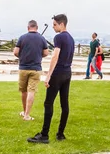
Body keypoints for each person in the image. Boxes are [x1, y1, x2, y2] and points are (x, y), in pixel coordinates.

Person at [28, 14, 75, 144]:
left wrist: (48, 76)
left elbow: (55, 56)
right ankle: (60, 134)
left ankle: (44, 135)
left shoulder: (59, 37)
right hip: (67, 73)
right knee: (64, 104)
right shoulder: (71, 38)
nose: (53, 27)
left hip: (58, 73)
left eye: (55, 24)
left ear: (61, 24)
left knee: (48, 103)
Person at [14, 20, 49, 121]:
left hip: (23, 68)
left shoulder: (22, 37)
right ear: (37, 27)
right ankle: (27, 115)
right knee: (31, 91)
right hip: (36, 68)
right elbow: (46, 53)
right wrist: (39, 55)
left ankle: (24, 111)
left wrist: (22, 56)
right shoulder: (42, 39)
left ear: (28, 27)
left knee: (24, 91)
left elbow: (16, 52)